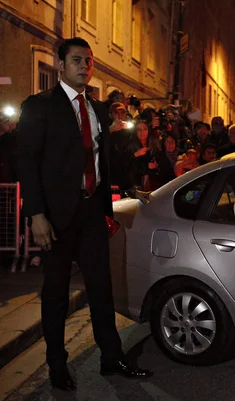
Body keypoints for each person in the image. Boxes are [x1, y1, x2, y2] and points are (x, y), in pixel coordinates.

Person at [16, 37, 152, 392]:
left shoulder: (98, 109)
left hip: (92, 210)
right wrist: (36, 214)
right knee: (56, 293)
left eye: (89, 61)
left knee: (101, 288)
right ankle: (57, 364)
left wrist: (127, 188)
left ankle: (112, 356)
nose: (85, 66)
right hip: (57, 216)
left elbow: (102, 159)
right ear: (61, 65)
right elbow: (27, 163)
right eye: (77, 60)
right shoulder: (40, 106)